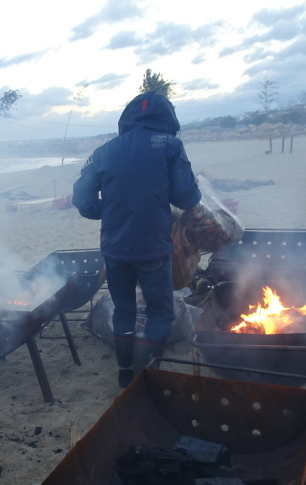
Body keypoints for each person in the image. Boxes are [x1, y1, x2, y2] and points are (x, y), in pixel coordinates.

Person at [72, 92, 201, 387]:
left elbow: (82, 198)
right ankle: (146, 371)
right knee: (160, 312)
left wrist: (111, 210)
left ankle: (125, 372)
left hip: (115, 249)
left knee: (125, 310)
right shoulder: (170, 146)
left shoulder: (104, 151)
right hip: (152, 248)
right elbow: (187, 197)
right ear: (167, 119)